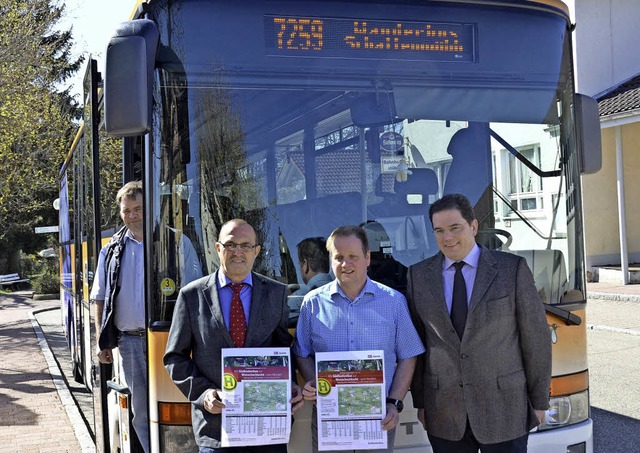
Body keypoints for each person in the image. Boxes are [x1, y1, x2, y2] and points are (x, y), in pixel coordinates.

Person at [406, 194, 551, 453]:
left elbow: (536, 338)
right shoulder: (418, 276)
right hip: (445, 412)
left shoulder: (512, 270)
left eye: (454, 228)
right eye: (439, 231)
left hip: (505, 409)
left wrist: (540, 401)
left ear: (473, 226)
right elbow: (417, 344)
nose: (447, 238)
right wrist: (421, 402)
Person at [163, 219, 303, 453]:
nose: (238, 252)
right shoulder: (192, 296)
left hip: (267, 428)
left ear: (256, 252)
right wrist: (203, 393)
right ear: (217, 249)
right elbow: (174, 357)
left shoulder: (276, 293)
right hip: (216, 429)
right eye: (230, 245)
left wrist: (291, 384)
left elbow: (283, 349)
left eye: (246, 245)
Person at [293, 225, 425, 453]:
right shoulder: (312, 303)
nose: (346, 264)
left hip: (379, 418)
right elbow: (301, 352)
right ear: (331, 260)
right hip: (329, 417)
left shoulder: (394, 302)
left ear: (367, 258)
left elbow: (408, 355)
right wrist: (315, 381)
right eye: (339, 257)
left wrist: (394, 403)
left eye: (353, 256)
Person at [91, 180, 149, 453]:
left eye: (138, 209)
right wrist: (101, 341)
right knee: (139, 412)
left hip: (168, 342)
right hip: (130, 344)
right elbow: (99, 297)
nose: (133, 215)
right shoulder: (111, 250)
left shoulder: (173, 241)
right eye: (127, 211)